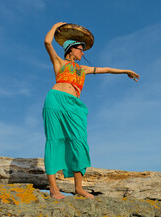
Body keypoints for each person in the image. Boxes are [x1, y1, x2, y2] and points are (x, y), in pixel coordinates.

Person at [43, 22, 140, 199]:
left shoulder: (84, 69)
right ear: (70, 49)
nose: (82, 52)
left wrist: (125, 71)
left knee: (79, 142)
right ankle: (53, 188)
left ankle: (78, 188)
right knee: (54, 140)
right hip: (55, 100)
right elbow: (48, 42)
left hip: (74, 106)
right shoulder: (59, 62)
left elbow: (107, 69)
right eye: (80, 49)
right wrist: (56, 25)